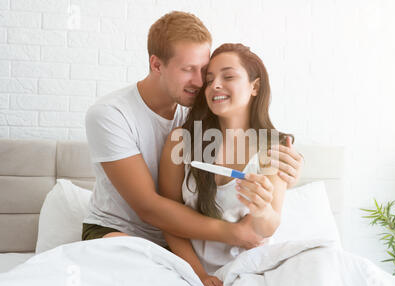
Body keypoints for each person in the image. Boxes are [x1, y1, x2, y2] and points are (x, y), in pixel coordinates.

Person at [82, 12, 303, 253]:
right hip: (118, 229)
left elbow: (251, 136)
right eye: (188, 69)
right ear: (156, 65)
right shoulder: (110, 115)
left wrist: (289, 168)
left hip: (178, 239)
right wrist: (234, 234)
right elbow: (148, 207)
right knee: (135, 265)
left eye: (204, 71)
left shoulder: (199, 111)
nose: (200, 82)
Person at [159, 43, 295, 286]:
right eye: (209, 80)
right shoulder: (180, 142)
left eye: (228, 76)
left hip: (249, 271)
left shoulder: (272, 147)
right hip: (188, 270)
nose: (215, 85)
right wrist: (199, 276)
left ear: (255, 86)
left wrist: (262, 209)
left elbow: (267, 228)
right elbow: (168, 219)